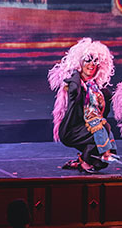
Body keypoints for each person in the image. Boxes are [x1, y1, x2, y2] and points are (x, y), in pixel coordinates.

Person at [49, 37, 117, 173]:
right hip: (71, 129)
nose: (91, 65)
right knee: (103, 130)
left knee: (100, 163)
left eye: (95, 61)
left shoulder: (98, 89)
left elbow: (103, 111)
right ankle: (85, 161)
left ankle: (81, 161)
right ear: (80, 62)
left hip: (88, 129)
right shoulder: (75, 83)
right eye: (88, 60)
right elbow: (73, 90)